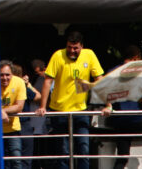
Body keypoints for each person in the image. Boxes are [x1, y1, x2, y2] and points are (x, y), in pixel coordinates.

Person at [36, 31, 104, 169]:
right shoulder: (57, 55)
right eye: (69, 47)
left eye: (75, 48)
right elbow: (48, 82)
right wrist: (43, 106)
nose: (72, 51)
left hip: (80, 110)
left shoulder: (89, 55)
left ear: (82, 47)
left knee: (83, 149)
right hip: (59, 110)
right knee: (63, 151)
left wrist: (108, 104)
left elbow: (100, 80)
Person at [99, 46, 142, 169]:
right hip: (135, 118)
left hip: (119, 119)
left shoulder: (112, 72)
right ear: (136, 58)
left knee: (123, 156)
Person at [0, 60, 28, 169]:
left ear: (12, 74)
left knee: (16, 160)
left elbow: (19, 106)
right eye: (1, 75)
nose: (4, 78)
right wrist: (0, 112)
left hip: (13, 129)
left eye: (7, 75)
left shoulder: (19, 82)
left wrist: (3, 111)